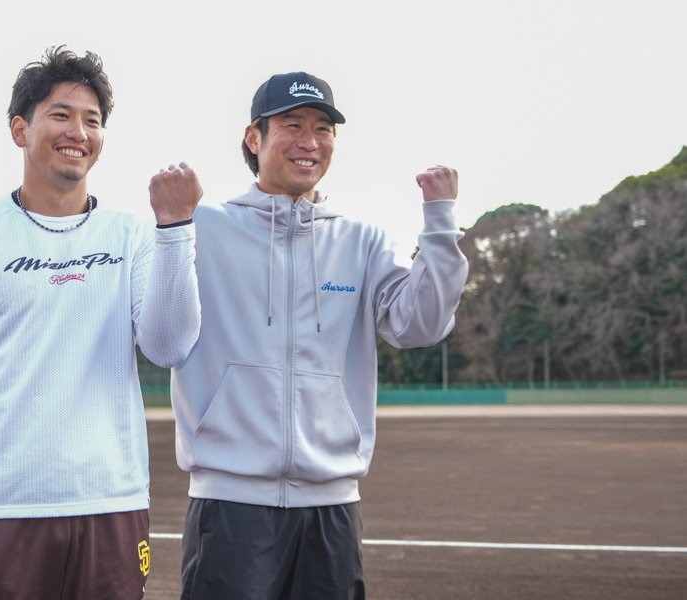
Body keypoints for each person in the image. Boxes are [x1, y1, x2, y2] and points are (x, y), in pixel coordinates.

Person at [0, 46, 202, 599]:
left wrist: (175, 228)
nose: (78, 132)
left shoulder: (131, 236)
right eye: (61, 115)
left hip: (111, 505)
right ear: (20, 129)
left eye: (93, 120)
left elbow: (169, 346)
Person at [170, 72, 469, 598]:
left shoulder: (363, 241)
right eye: (293, 125)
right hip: (231, 506)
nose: (310, 141)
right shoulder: (202, 229)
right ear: (254, 138)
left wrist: (439, 223)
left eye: (324, 127)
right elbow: (157, 325)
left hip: (332, 510)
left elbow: (419, 325)